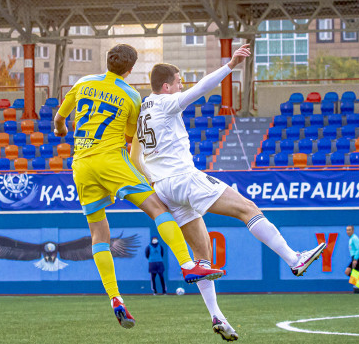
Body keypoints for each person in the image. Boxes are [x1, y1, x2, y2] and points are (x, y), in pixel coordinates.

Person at [131, 44, 326, 341]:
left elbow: (136, 158)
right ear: (167, 85)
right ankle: (293, 259)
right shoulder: (165, 102)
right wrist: (230, 65)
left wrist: (151, 180)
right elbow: (200, 89)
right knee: (248, 209)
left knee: (202, 260)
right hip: (184, 179)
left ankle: (217, 316)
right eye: (178, 80)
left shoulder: (144, 108)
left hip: (163, 189)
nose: (181, 84)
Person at [53, 43, 223, 329]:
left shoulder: (82, 83)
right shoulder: (132, 96)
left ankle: (115, 298)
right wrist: (137, 174)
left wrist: (62, 130)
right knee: (158, 208)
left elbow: (59, 119)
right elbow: (135, 140)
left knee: (98, 233)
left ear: (107, 61)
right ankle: (186, 263)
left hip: (81, 165)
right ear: (130, 70)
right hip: (111, 162)